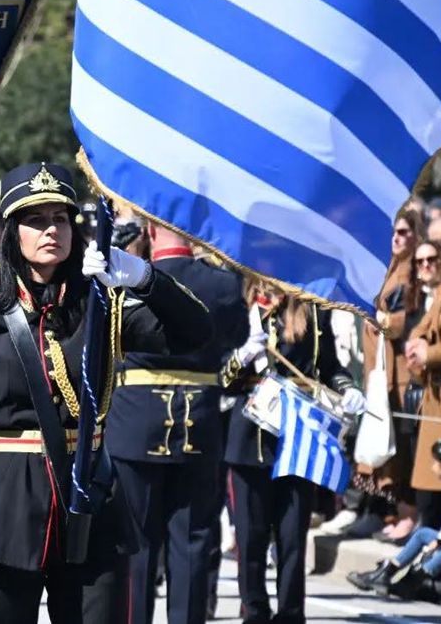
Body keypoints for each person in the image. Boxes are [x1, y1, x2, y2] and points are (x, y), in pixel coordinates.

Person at [0, 163, 212, 623]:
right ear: (12, 233)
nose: (52, 229)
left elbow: (196, 334)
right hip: (2, 509)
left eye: (61, 218)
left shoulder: (102, 306)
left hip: (91, 499)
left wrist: (144, 277)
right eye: (36, 219)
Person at [104, 223, 248, 624]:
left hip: (136, 421)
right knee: (192, 542)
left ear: (151, 229)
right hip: (197, 420)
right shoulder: (223, 284)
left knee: (136, 545)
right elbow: (237, 336)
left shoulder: (128, 280)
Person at [223, 286, 364, 624]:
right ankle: (255, 612)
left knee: (292, 538)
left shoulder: (313, 311)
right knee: (251, 536)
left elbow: (329, 366)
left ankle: (291, 614)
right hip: (252, 437)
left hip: (299, 437)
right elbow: (223, 378)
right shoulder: (240, 308)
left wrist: (347, 388)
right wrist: (244, 354)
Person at [352, 211, 423, 543]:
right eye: (394, 232)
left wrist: (379, 318)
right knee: (381, 446)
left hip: (400, 376)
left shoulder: (412, 273)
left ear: (416, 236)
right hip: (378, 374)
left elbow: (400, 321)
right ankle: (383, 511)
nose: (397, 237)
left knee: (400, 450)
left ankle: (406, 516)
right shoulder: (389, 268)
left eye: (404, 232)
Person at [348, 436, 441, 598]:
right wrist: (439, 541)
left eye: (435, 463)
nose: (432, 467)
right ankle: (387, 572)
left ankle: (418, 576)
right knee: (423, 534)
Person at [405, 233, 441, 532]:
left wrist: (431, 353)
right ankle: (428, 553)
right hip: (434, 400)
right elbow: (422, 327)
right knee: (429, 495)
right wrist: (416, 344)